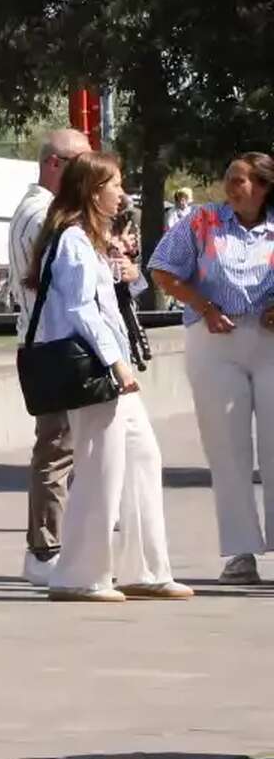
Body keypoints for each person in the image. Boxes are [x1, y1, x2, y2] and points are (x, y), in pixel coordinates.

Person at [28, 151, 189, 602]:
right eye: (115, 184)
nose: (123, 193)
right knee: (101, 466)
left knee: (141, 457)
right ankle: (80, 574)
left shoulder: (91, 241)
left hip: (106, 369)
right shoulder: (73, 241)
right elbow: (80, 310)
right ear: (92, 191)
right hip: (94, 370)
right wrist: (116, 362)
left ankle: (146, 568)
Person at [147, 152, 274, 584]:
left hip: (270, 341)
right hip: (213, 341)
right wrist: (202, 304)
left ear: (262, 186)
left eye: (240, 180)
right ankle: (241, 552)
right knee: (227, 449)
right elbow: (161, 269)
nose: (230, 186)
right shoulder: (202, 221)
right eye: (228, 177)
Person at [7, 127, 94, 578]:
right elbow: (62, 286)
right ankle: (44, 551)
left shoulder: (44, 212)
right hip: (54, 346)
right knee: (58, 447)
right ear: (56, 164)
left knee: (64, 446)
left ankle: (53, 547)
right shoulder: (43, 215)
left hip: (53, 343)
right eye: (82, 163)